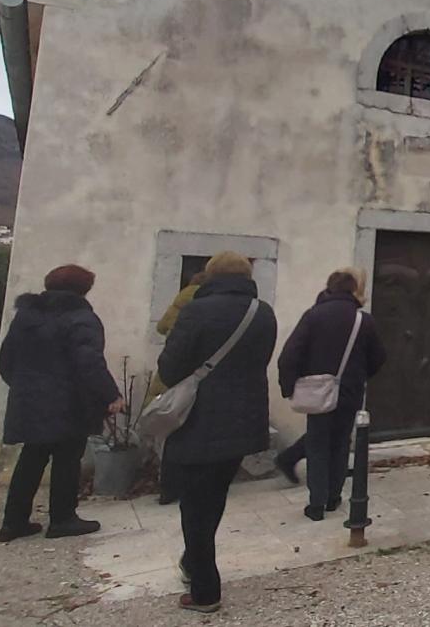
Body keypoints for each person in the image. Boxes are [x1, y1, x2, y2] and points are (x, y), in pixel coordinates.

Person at [157, 251, 279, 613]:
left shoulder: (196, 310)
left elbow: (169, 368)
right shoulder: (263, 312)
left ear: (210, 275)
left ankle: (205, 591)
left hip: (199, 417)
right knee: (213, 497)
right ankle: (193, 562)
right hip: (244, 418)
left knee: (194, 505)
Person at [0, 264, 123, 543]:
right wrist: (110, 395)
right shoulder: (81, 319)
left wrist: (25, 387)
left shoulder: (26, 317)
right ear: (84, 289)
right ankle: (63, 519)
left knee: (31, 459)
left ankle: (13, 522)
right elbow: (89, 362)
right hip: (69, 402)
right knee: (67, 460)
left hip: (30, 401)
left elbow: (6, 360)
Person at [276, 267, 387, 521]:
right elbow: (379, 357)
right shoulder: (363, 320)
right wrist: (359, 376)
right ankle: (333, 497)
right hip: (350, 392)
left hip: (317, 391)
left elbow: (289, 355)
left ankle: (316, 503)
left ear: (329, 288)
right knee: (340, 443)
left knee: (317, 444)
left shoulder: (313, 316)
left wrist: (290, 386)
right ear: (352, 290)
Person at [150, 271, 210, 506]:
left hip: (171, 374)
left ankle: (168, 487)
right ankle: (190, 484)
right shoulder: (205, 304)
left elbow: (161, 327)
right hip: (195, 376)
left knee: (172, 434)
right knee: (196, 431)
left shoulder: (181, 298)